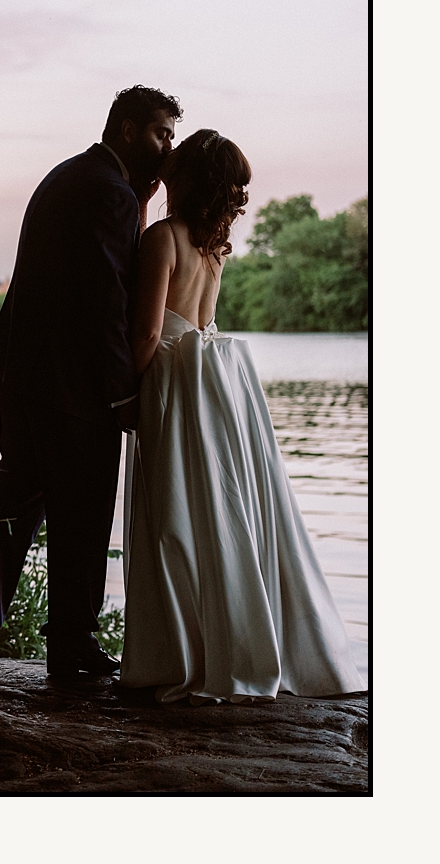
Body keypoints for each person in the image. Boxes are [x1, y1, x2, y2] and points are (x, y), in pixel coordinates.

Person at [116, 130, 364, 703]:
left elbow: (151, 330)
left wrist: (125, 391)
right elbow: (199, 319)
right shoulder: (212, 247)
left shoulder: (162, 239)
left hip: (174, 385)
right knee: (220, 510)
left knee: (174, 511)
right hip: (219, 383)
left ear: (179, 181)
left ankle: (180, 652)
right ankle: (236, 641)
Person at [0, 85, 179, 677]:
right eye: (160, 133)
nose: (167, 145)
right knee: (83, 511)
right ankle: (70, 640)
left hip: (23, 369)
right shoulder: (110, 192)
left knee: (16, 496)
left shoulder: (72, 176)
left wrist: (140, 200)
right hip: (75, 384)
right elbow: (108, 300)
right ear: (127, 130)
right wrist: (125, 391)